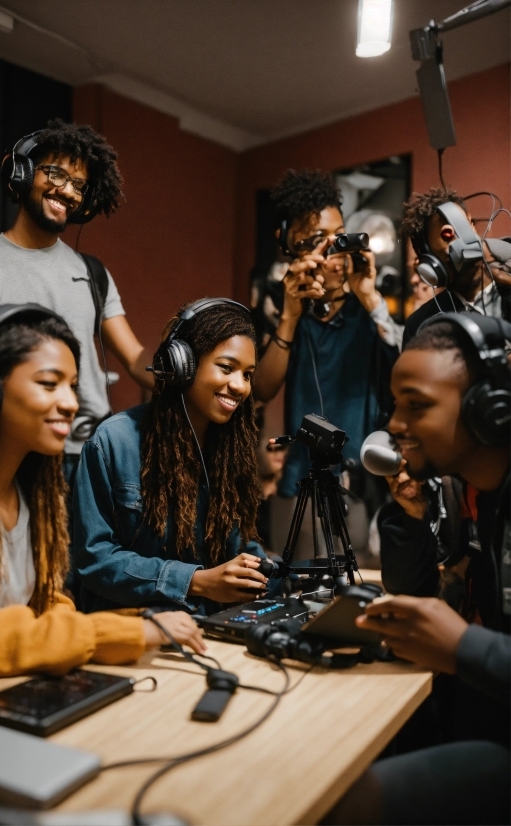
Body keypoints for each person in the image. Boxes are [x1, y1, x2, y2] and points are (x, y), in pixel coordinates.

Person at [0, 306, 203, 677]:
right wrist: (110, 633)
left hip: (2, 685)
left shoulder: (34, 487)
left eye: (72, 386)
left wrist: (132, 628)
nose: (70, 403)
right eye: (49, 384)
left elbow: (49, 601)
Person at [326, 313, 510, 825]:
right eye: (395, 406)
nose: (396, 426)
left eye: (417, 406)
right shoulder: (464, 490)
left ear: (487, 411)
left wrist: (464, 647)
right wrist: (411, 518)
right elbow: (413, 592)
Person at [0, 119, 154, 487]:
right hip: (11, 455)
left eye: (78, 184)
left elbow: (136, 358)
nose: (67, 191)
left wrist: (181, 365)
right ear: (23, 171)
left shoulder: (93, 273)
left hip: (89, 458)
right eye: (56, 173)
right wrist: (1, 411)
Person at [73, 299, 271, 616]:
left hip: (212, 630)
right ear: (182, 364)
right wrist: (196, 581)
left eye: (247, 375)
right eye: (226, 367)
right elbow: (94, 559)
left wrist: (265, 572)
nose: (239, 385)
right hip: (130, 632)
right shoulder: (113, 441)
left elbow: (237, 545)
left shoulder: (231, 450)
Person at [254, 169, 399, 553]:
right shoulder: (287, 309)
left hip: (360, 483)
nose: (332, 254)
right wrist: (289, 315)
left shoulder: (366, 313)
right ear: (290, 245)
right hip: (299, 482)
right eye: (317, 241)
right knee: (300, 595)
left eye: (338, 238)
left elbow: (405, 372)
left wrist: (370, 299)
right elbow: (263, 389)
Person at [401, 186, 511, 346]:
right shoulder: (421, 325)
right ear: (432, 265)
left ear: (470, 224)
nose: (458, 248)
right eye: (448, 255)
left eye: (461, 228)